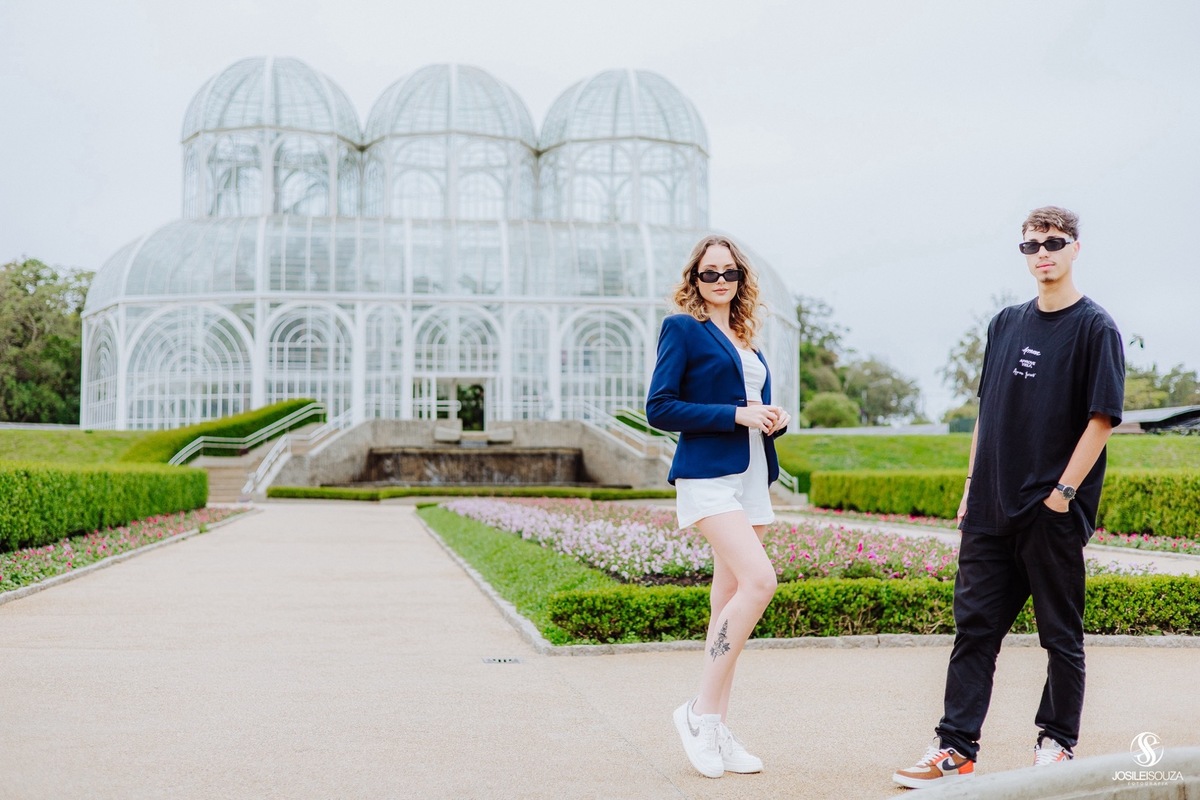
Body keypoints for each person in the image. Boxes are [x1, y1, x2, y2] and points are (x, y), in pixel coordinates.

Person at [893, 206, 1125, 789]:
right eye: (1030, 245)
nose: (1041, 252)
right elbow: (985, 412)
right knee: (974, 630)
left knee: (1059, 635)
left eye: (1052, 242)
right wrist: (972, 488)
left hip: (1051, 512)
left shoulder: (1096, 328)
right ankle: (955, 748)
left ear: (1075, 247)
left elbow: (1102, 420)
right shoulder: (1004, 323)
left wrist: (1062, 494)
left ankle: (1057, 744)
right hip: (990, 510)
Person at [646, 234, 791, 779]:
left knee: (728, 596)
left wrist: (770, 418)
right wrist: (736, 415)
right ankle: (698, 712)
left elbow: (750, 405)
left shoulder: (747, 337)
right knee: (760, 582)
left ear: (741, 279)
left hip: (751, 475)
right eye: (710, 274)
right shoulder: (683, 328)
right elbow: (660, 406)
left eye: (729, 273)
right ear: (694, 279)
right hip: (708, 477)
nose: (720, 282)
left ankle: (718, 727)